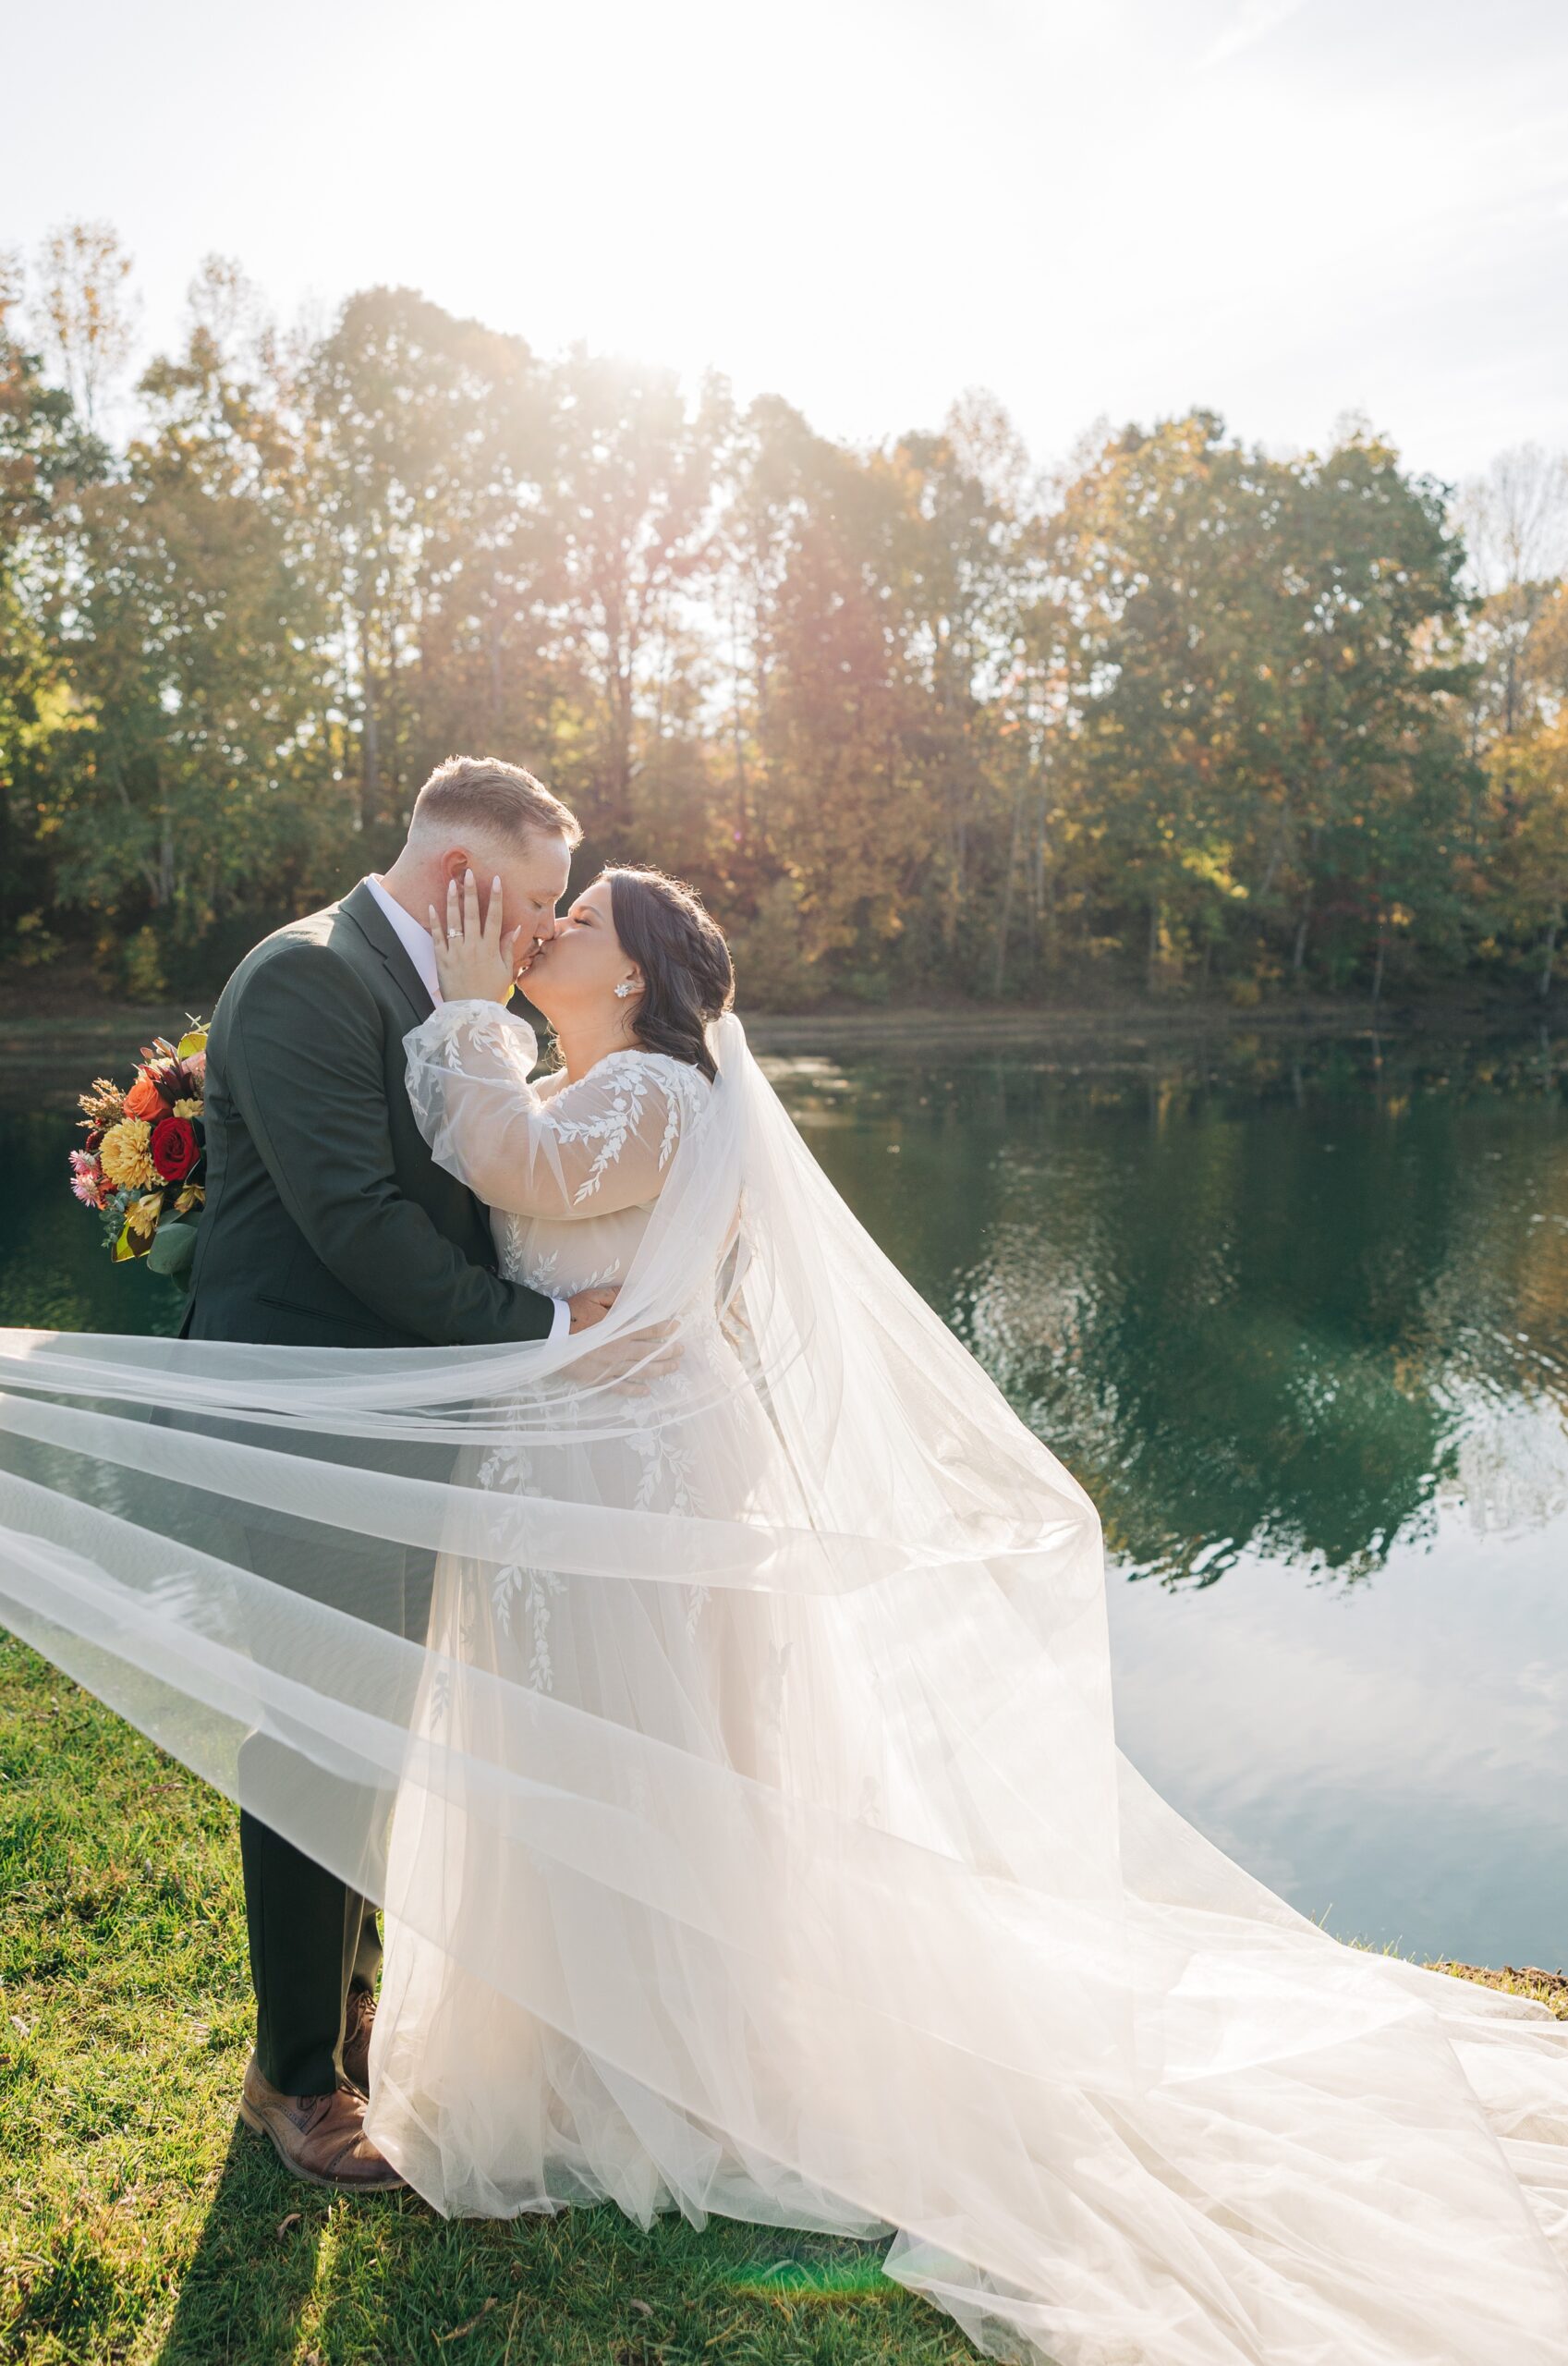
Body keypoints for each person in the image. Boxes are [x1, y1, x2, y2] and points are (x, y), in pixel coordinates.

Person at [4, 827, 1568, 2361]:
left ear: (641, 975)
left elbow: (505, 1165)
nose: (545, 933)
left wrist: (471, 1009)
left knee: (623, 1739)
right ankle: (547, 2037)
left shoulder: (649, 1092)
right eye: (541, 914)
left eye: (577, 921)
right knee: (559, 1745)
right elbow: (462, 1176)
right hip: (559, 1454)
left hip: (613, 1464)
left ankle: (643, 2060)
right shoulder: (578, 1072)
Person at [181, 753, 615, 2191]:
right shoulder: (311, 977)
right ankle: (293, 2078)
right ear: (464, 880)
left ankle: (351, 2025)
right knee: (313, 1728)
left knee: (378, 1725)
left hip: (412, 1410)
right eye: (538, 899)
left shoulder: (439, 993)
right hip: (304, 1411)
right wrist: (551, 1330)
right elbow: (359, 1224)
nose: (549, 930)